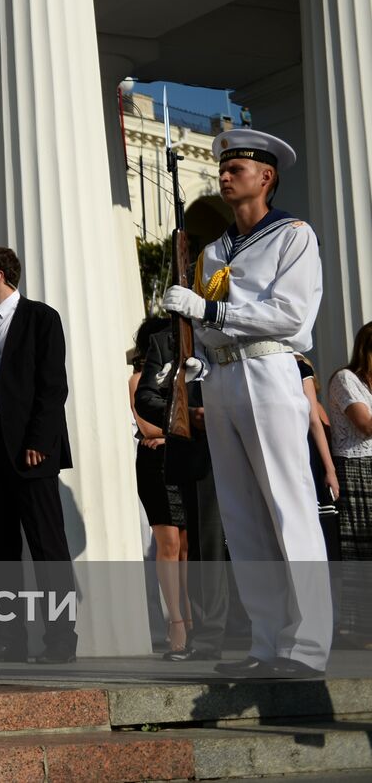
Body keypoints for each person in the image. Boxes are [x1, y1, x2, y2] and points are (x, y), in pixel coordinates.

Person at [162, 128, 330, 677]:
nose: (226, 174)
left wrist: (210, 315)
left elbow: (290, 316)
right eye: (224, 167)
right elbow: (210, 325)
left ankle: (307, 645)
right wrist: (200, 358)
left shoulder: (293, 236)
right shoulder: (214, 251)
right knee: (241, 518)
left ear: (267, 176)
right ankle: (266, 641)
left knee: (289, 506)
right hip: (225, 379)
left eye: (239, 167)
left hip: (271, 368)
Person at [0, 246, 79, 664]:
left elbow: (53, 387)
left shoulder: (40, 318)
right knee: (0, 550)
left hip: (33, 453)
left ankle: (61, 641)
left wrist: (38, 440)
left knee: (48, 549)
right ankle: (12, 639)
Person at [136, 327, 230, 663]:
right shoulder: (165, 341)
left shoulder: (234, 325)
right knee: (203, 548)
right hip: (196, 454)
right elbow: (145, 397)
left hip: (245, 445)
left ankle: (280, 628)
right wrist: (185, 416)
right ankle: (207, 636)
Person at [128, 316, 191, 658]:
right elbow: (147, 427)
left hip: (180, 459)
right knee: (167, 544)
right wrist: (173, 430)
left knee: (185, 545)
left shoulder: (185, 379)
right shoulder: (137, 379)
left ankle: (192, 618)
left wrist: (170, 433)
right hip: (155, 466)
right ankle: (176, 622)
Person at [329, 322, 372, 644]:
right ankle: (356, 627)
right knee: (360, 551)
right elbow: (365, 424)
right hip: (357, 467)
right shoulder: (347, 380)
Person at [295, 355, 341, 560]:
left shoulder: (298, 362)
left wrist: (330, 470)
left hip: (310, 460)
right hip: (293, 456)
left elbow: (316, 422)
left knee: (321, 525)